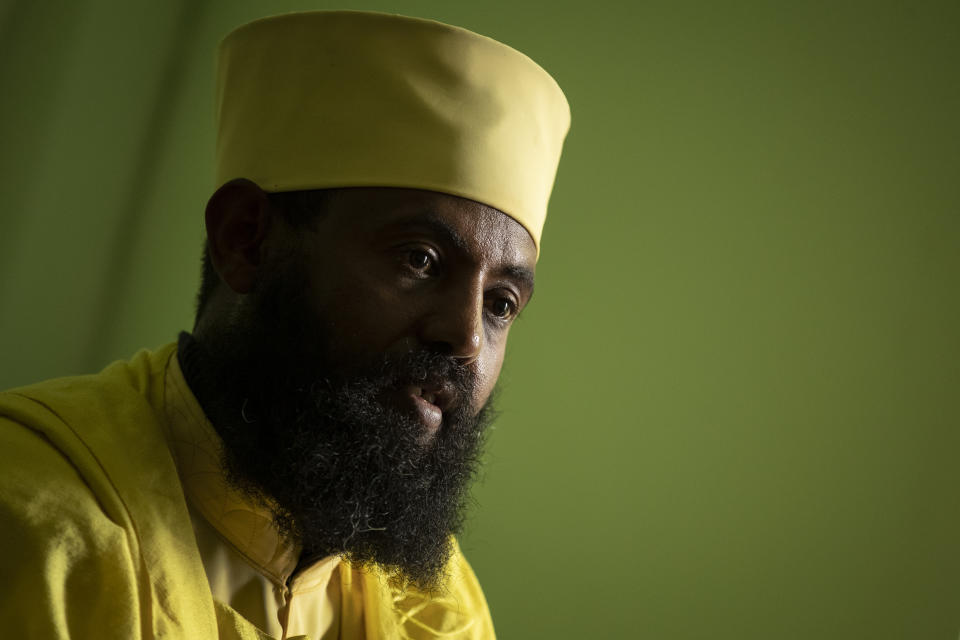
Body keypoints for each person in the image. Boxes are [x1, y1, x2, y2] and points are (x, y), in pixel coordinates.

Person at [0, 10, 569, 640]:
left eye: (501, 304)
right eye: (419, 260)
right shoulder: (32, 525)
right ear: (246, 240)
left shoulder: (437, 607)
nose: (464, 338)